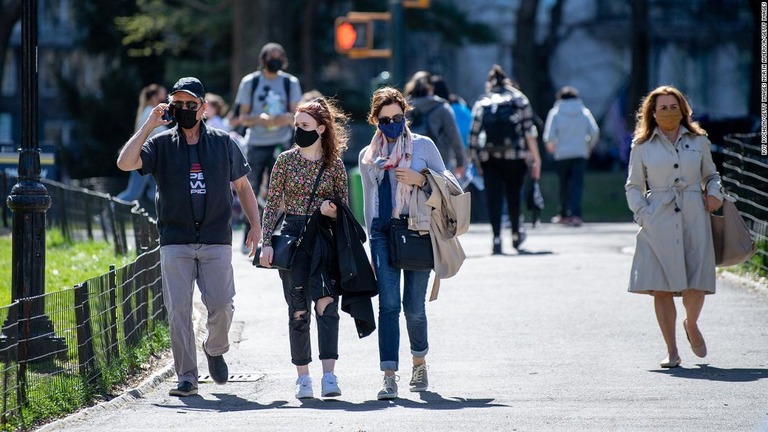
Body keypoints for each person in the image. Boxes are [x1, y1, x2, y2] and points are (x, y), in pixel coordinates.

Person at [116, 77, 261, 397]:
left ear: (203, 108)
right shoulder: (161, 144)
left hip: (215, 237)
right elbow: (125, 162)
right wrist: (149, 126)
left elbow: (243, 186)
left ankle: (215, 347)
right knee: (178, 309)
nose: (184, 109)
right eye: (177, 104)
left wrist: (256, 225)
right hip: (176, 239)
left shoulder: (223, 143)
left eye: (190, 105)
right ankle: (186, 376)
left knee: (222, 306)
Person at [358, 87, 449, 400]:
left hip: (418, 229)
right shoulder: (368, 157)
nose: (393, 123)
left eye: (398, 117)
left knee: (413, 308)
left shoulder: (424, 146)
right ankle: (388, 375)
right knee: (388, 306)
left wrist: (420, 179)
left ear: (406, 115)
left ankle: (419, 363)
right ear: (376, 121)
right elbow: (369, 202)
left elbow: (452, 185)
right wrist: (371, 243)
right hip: (383, 232)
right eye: (386, 119)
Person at [258, 97, 351, 400]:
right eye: (297, 125)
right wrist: (266, 243)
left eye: (305, 125)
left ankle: (329, 376)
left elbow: (345, 209)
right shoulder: (285, 160)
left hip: (323, 238)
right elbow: (272, 205)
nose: (299, 130)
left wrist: (332, 210)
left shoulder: (334, 164)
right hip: (293, 236)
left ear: (322, 129)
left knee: (326, 306)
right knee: (298, 309)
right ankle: (303, 378)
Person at [625, 85, 723, 368]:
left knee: (696, 281)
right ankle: (671, 350)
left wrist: (716, 192)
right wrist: (643, 214)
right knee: (661, 287)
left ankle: (691, 323)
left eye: (673, 107)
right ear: (652, 114)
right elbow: (633, 185)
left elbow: (711, 176)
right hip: (658, 218)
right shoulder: (641, 146)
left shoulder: (699, 140)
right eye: (663, 108)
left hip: (694, 214)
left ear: (683, 110)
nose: (669, 112)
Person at [235, 42, 302, 253]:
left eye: (279, 56)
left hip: (281, 143)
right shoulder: (251, 82)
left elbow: (298, 114)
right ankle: (249, 232)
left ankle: (276, 234)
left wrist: (285, 119)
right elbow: (241, 117)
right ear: (263, 60)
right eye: (272, 56)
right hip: (256, 142)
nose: (276, 60)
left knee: (282, 190)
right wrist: (260, 119)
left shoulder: (290, 83)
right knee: (250, 189)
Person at [469, 65, 541, 255]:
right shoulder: (519, 99)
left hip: (489, 157)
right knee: (513, 195)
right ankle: (516, 233)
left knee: (493, 198)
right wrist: (536, 158)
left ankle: (496, 238)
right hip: (515, 157)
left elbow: (474, 136)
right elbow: (528, 131)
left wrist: (477, 160)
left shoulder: (483, 102)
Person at [543, 86, 600, 227]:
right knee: (577, 185)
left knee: (563, 184)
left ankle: (563, 214)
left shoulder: (555, 112)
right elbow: (594, 131)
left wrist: (551, 146)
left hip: (562, 153)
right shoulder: (584, 112)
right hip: (580, 152)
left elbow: (549, 136)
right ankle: (576, 215)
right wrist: (589, 146)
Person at [404, 71, 466, 179]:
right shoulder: (442, 108)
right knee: (441, 193)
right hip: (440, 159)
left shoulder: (405, 109)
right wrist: (460, 162)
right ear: (430, 88)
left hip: (412, 160)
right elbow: (454, 137)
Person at [116, 84, 167, 206]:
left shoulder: (147, 111)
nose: (165, 100)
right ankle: (108, 213)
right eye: (162, 97)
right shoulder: (150, 113)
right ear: (154, 97)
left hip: (149, 159)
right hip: (142, 159)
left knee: (156, 191)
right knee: (133, 193)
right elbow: (163, 133)